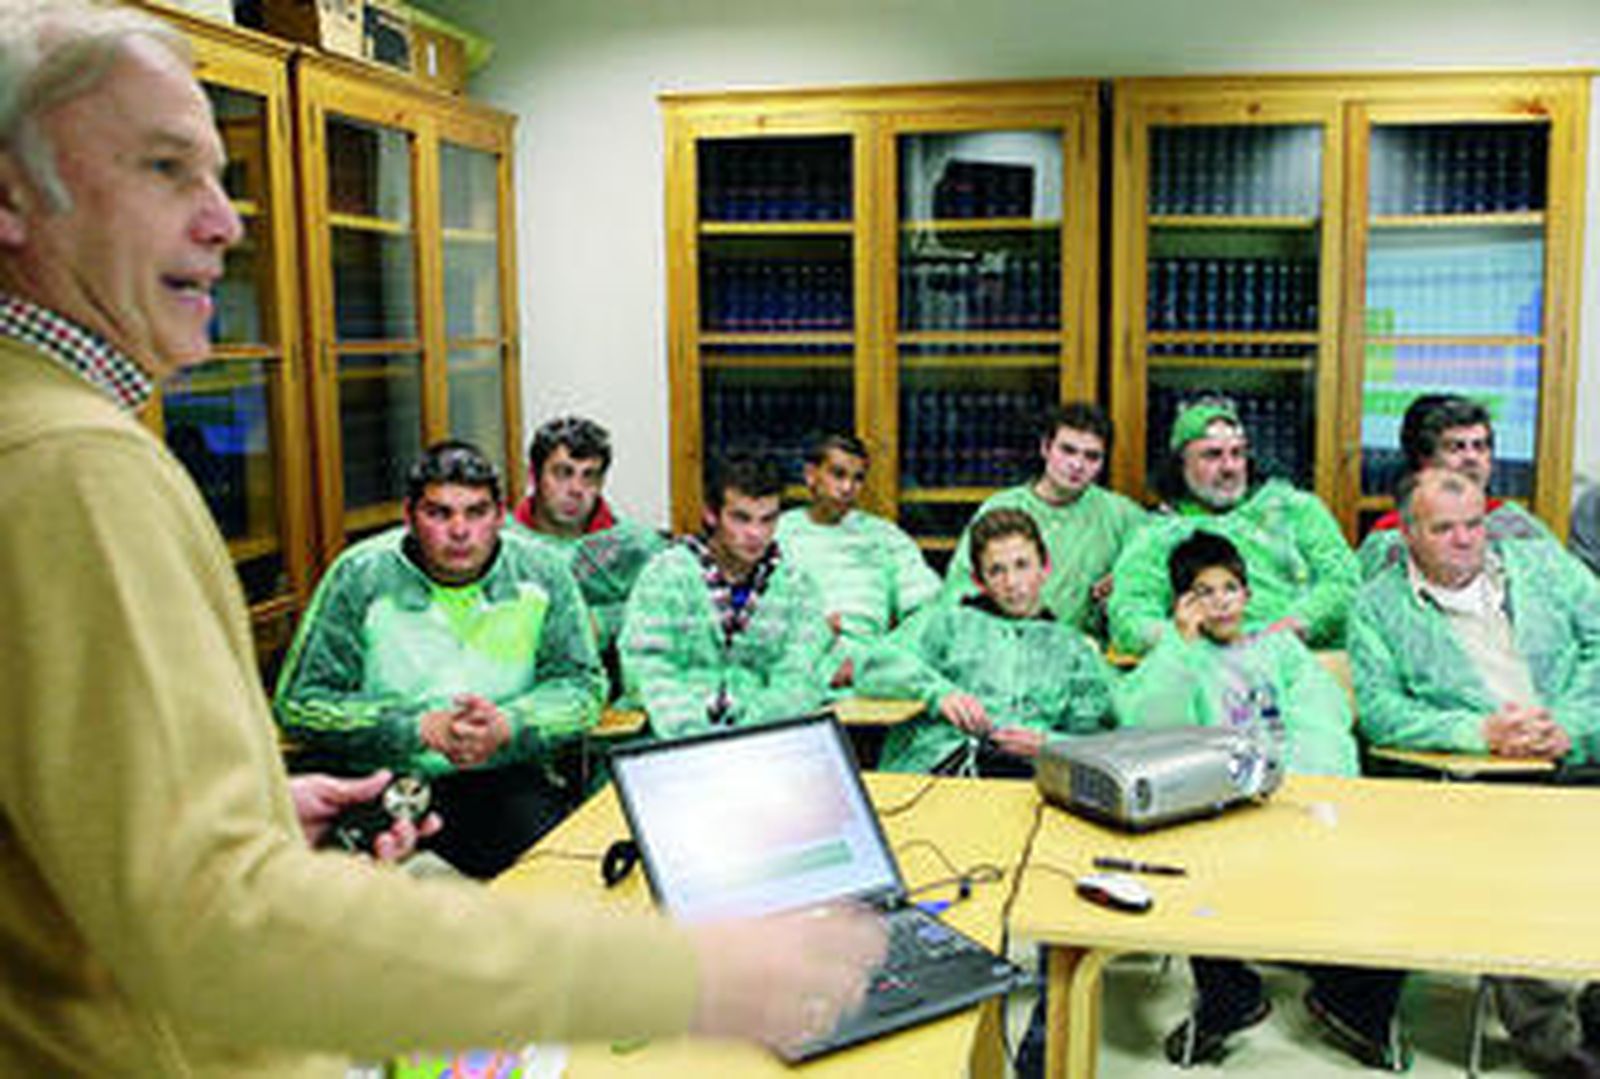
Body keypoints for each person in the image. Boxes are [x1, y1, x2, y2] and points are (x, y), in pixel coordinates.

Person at [0, 4, 882, 1072]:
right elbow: (212, 920)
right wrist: (688, 971)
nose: (226, 221)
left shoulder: (50, 435)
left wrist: (252, 807)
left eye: (219, 175)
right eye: (163, 168)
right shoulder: (72, 466)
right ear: (13, 194)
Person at [1115, 531, 1406, 1069]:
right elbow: (1149, 724)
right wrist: (1178, 646)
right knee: (1200, 867)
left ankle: (1351, 1000)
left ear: (1248, 594)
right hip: (1218, 808)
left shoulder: (1281, 650)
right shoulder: (1178, 657)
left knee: (1376, 876)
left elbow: (1323, 722)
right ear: (1183, 604)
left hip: (1295, 794)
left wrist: (1290, 784)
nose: (1221, 600)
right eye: (1204, 592)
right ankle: (1230, 998)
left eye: (1231, 587)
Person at [1351, 467, 1600, 1077]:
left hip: (1575, 745)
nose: (1465, 540)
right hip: (1480, 772)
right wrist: (1480, 734)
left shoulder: (1544, 566)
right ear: (1408, 533)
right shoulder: (1378, 605)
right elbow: (1383, 714)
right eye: (1443, 529)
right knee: (1514, 874)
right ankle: (1555, 1042)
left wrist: (1569, 724)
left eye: (1473, 526)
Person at [275, 440, 605, 879]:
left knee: (561, 881)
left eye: (476, 512)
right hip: (379, 778)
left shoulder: (541, 573)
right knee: (349, 912)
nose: (460, 530)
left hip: (501, 774)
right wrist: (416, 728)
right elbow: (301, 702)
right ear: (409, 516)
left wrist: (509, 725)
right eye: (439, 513)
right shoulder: (361, 574)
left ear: (500, 515)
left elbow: (581, 686)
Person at [857, 507, 1113, 774]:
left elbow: (1099, 740)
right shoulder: (947, 623)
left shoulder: (1072, 648)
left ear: (1044, 567)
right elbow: (874, 664)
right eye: (996, 571)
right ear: (980, 581)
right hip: (945, 773)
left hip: (1035, 781)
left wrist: (1051, 746)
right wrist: (938, 694)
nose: (1012, 582)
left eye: (1022, 565)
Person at [1108, 395, 1358, 656]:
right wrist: (1193, 640)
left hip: (1306, 659)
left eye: (1237, 453)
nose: (1229, 467)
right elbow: (1129, 618)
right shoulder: (1157, 534)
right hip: (1203, 671)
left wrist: (1291, 627)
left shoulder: (1295, 508)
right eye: (1212, 455)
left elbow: (1344, 582)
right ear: (1181, 465)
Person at [620, 451, 831, 739]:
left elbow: (801, 675)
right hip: (668, 740)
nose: (755, 533)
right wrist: (690, 734)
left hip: (767, 742)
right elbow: (646, 668)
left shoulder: (798, 586)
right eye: (741, 519)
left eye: (767, 519)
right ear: (710, 513)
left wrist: (753, 731)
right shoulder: (666, 576)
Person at [942, 402, 1145, 636]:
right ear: (1045, 448)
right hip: (1007, 649)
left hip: (1086, 653)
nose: (1077, 465)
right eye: (1067, 450)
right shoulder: (1001, 508)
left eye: (1092, 456)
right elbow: (958, 593)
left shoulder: (1122, 515)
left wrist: (1125, 581)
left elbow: (1161, 575)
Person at [775, 432, 940, 692]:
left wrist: (876, 659)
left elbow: (929, 611)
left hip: (871, 674)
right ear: (811, 475)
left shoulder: (885, 537)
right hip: (790, 671)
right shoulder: (777, 533)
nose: (848, 488)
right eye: (838, 475)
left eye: (858, 479)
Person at [510, 414, 667, 653]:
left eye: (589, 476)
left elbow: (675, 608)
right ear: (533, 476)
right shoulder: (500, 540)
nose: (576, 490)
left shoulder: (635, 546)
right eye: (563, 473)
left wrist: (605, 623)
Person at [1357, 393, 1557, 578]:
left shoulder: (1518, 525)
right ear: (1425, 461)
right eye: (1456, 448)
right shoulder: (1394, 535)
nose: (1471, 458)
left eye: (1480, 447)